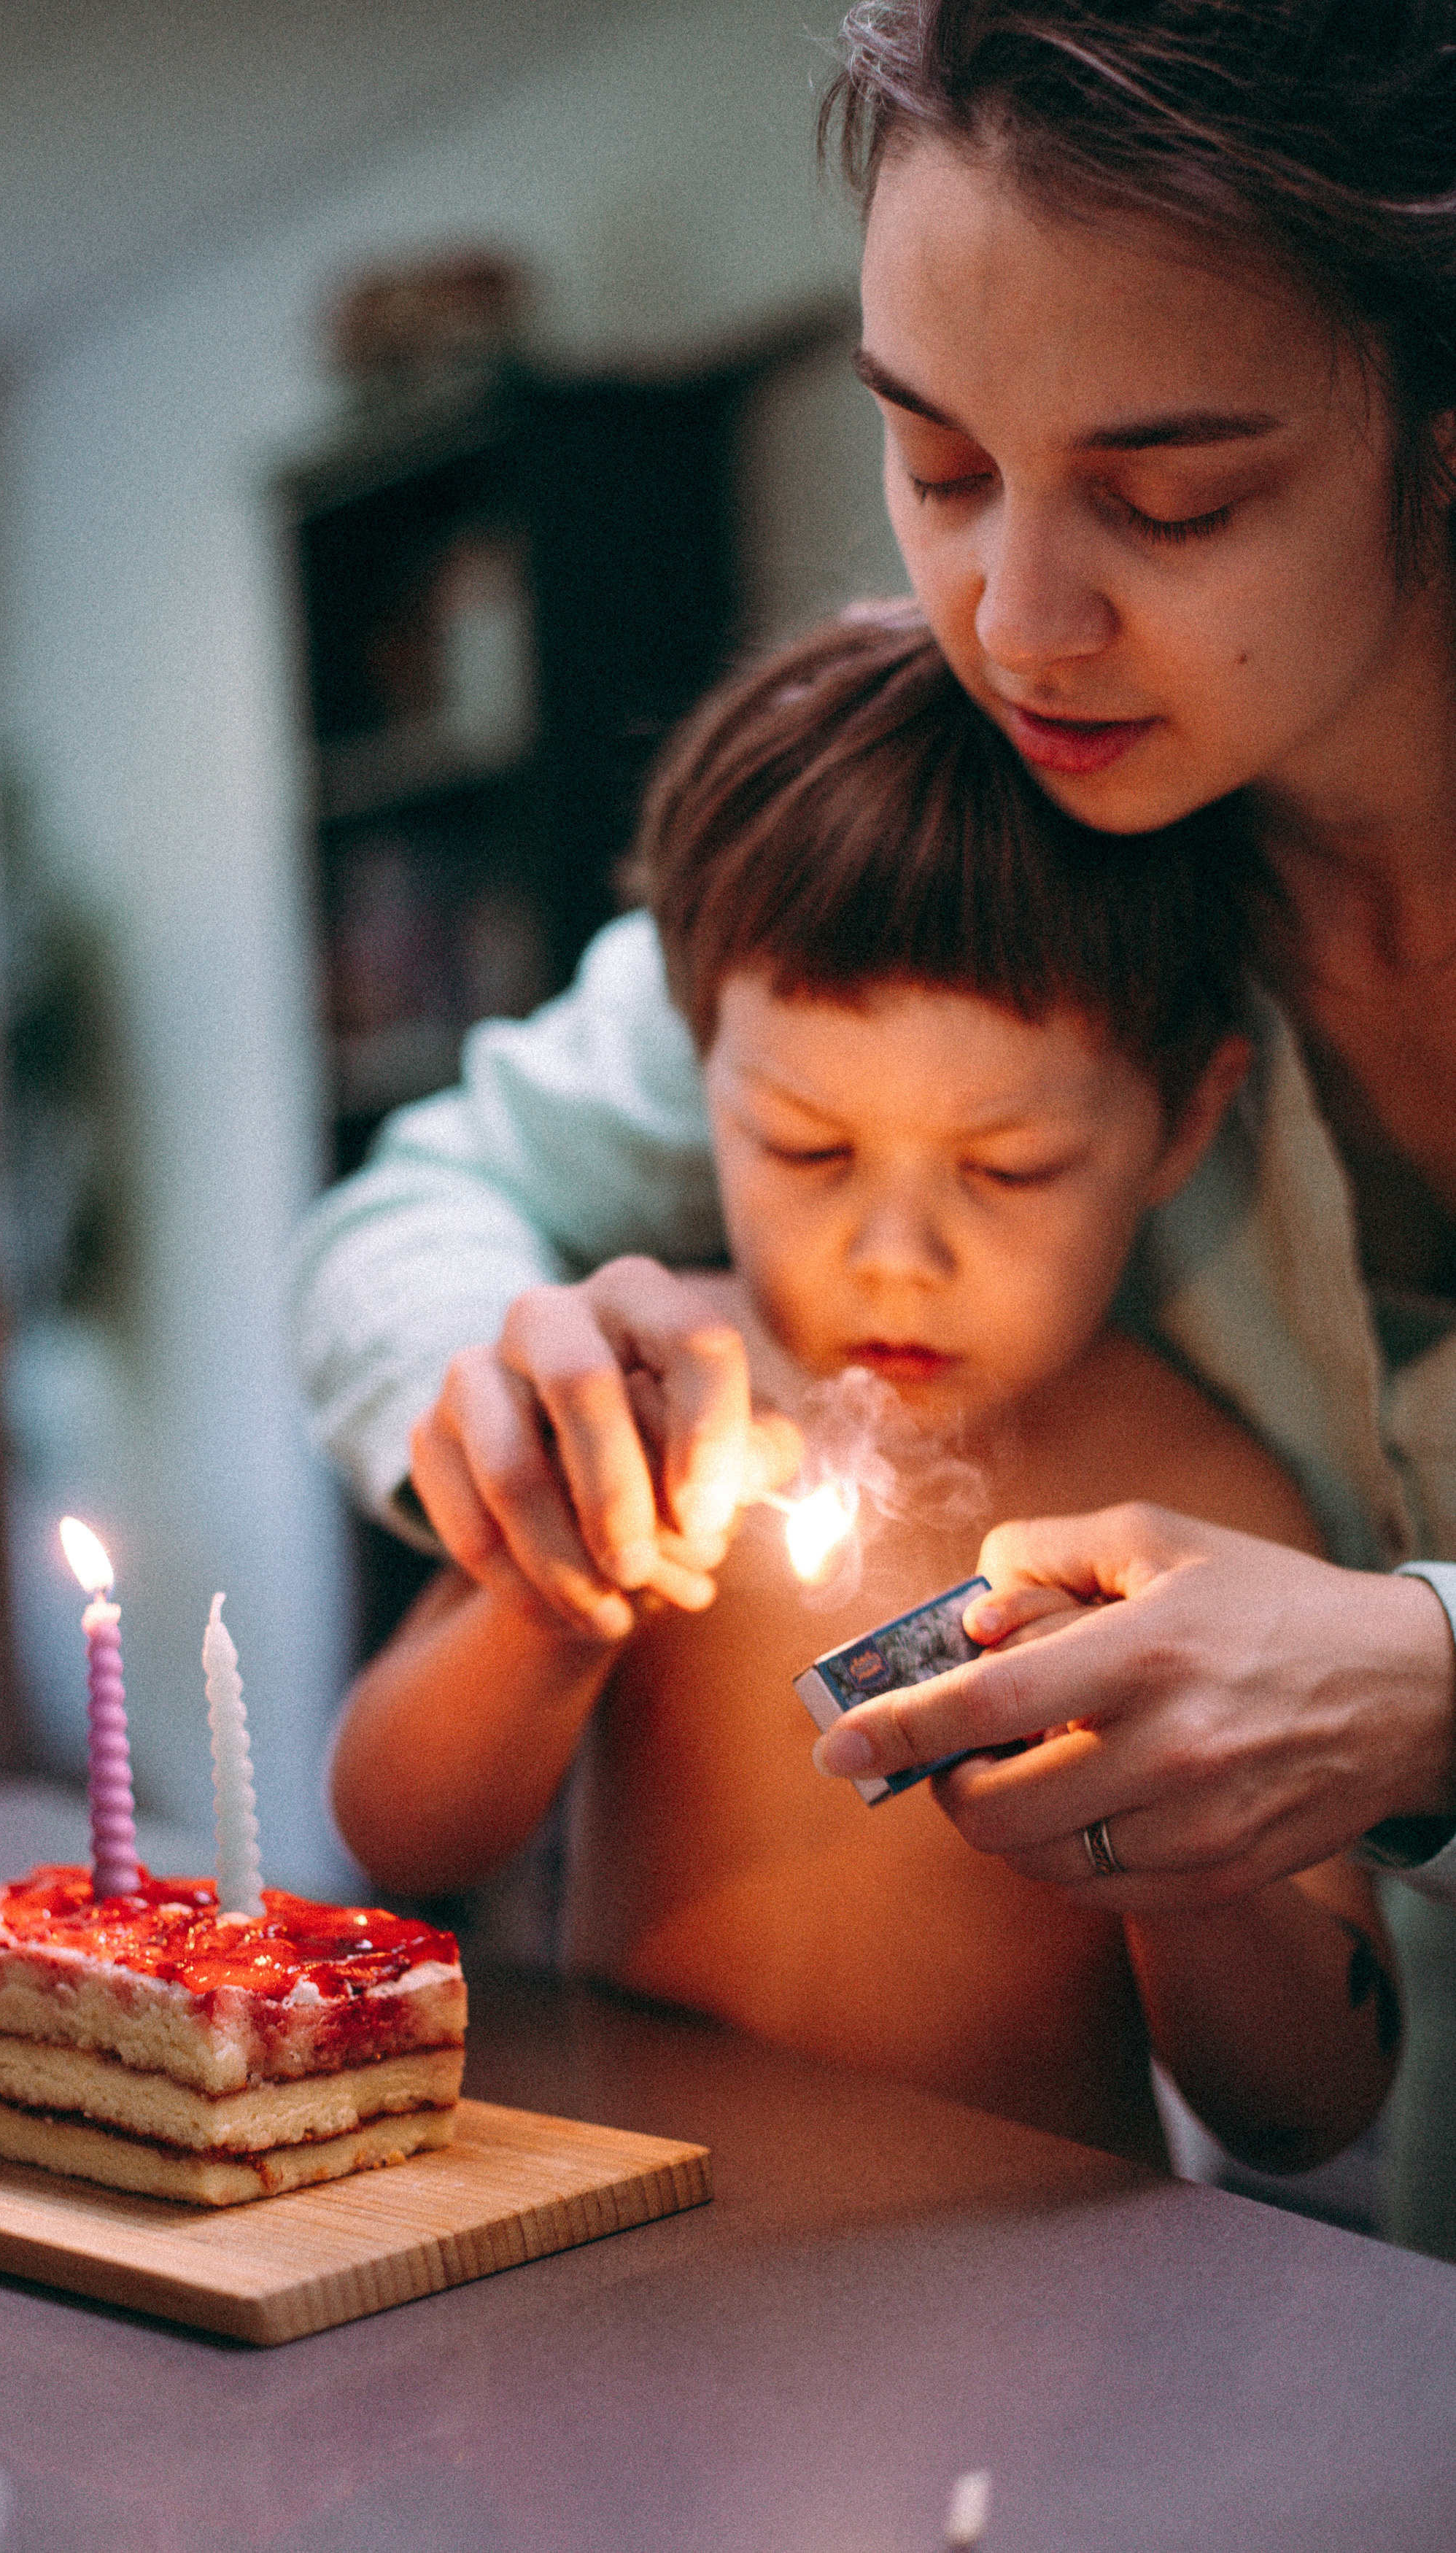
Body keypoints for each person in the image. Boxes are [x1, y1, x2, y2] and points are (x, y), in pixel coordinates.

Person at [291, 0, 1456, 1940]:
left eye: (1167, 500)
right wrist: (505, 1399)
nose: (1010, 624)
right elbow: (420, 1205)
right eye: (931, 463)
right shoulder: (973, 845)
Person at [330, 610, 1400, 2172]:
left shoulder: (1196, 1502)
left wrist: (1179, 1838)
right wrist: (551, 1608)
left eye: (1010, 1166)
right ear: (699, 1081)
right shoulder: (655, 1404)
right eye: (807, 1149)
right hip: (637, 2269)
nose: (896, 1255)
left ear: (1184, 1122)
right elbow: (395, 1831)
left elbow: (1310, 2104)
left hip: (1040, 2323)